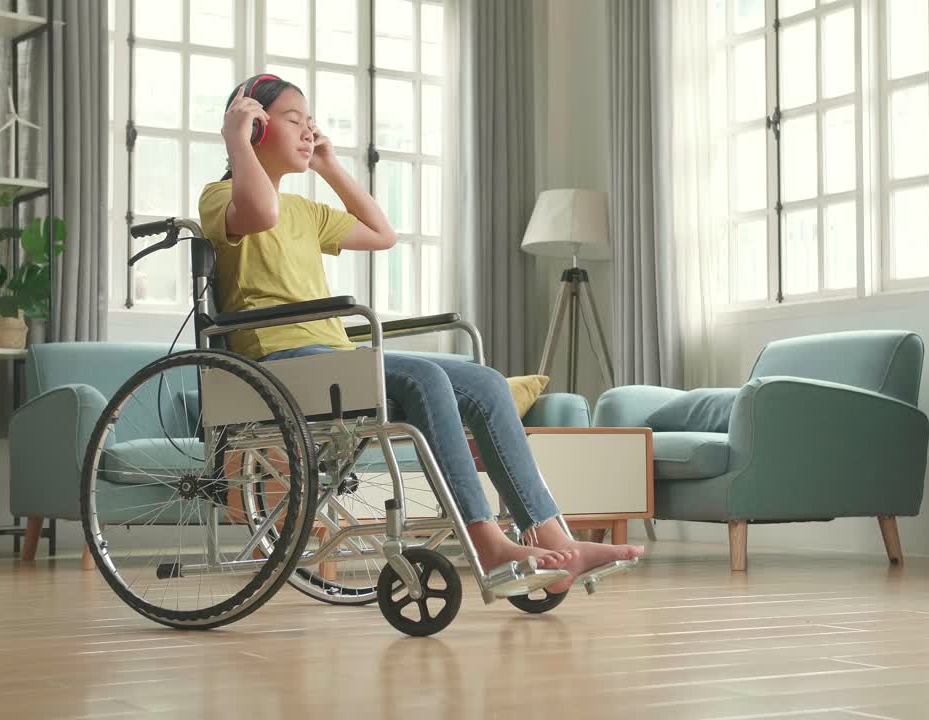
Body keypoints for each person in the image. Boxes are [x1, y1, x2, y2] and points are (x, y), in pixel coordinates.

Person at [198, 74, 643, 593]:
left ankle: (552, 537)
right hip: (281, 365)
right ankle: (486, 541)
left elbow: (382, 234)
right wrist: (235, 139)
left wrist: (329, 165)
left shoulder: (306, 211)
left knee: (486, 382)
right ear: (255, 128)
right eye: (294, 120)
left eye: (310, 122)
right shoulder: (221, 197)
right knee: (425, 377)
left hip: (332, 360)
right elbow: (260, 211)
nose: (308, 131)